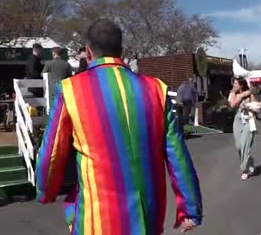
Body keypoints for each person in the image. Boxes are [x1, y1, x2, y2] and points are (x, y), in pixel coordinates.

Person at [35, 19, 202, 234]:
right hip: (147, 217)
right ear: (120, 50)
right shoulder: (156, 89)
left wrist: (46, 191)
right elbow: (176, 152)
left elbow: (51, 152)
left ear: (88, 51)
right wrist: (190, 209)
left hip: (97, 220)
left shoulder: (69, 90)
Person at [229, 77, 258, 181]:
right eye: (233, 84)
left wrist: (249, 106)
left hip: (248, 120)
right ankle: (249, 161)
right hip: (238, 120)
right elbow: (232, 105)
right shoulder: (233, 94)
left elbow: (256, 107)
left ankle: (244, 170)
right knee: (239, 146)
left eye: (236, 84)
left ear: (241, 85)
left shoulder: (249, 94)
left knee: (245, 144)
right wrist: (241, 95)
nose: (234, 85)